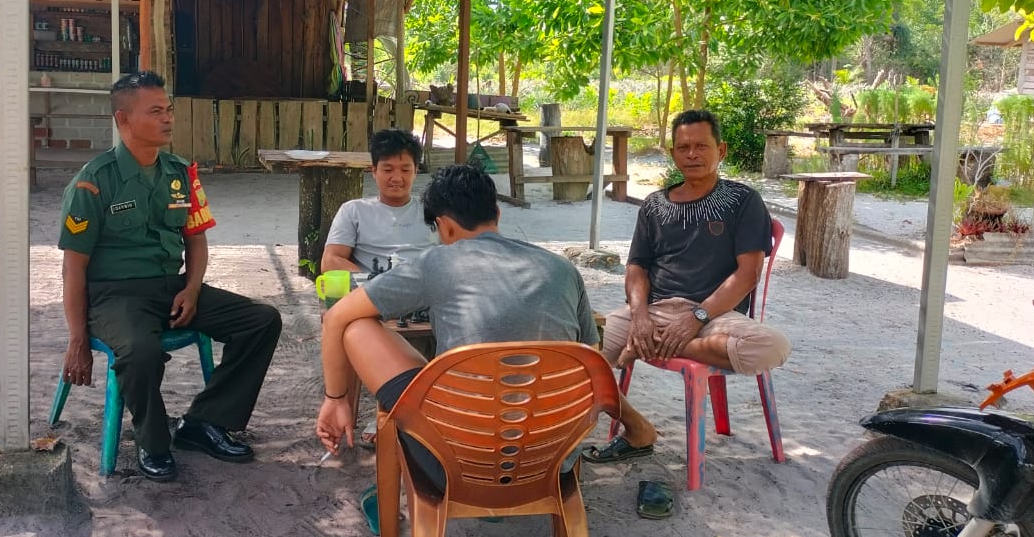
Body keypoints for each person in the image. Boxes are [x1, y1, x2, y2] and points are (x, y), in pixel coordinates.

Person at [314, 164, 656, 496]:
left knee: (356, 325)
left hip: (457, 463)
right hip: (551, 458)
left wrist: (336, 398)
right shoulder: (562, 269)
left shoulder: (435, 263)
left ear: (443, 226)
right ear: (497, 213)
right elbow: (593, 367)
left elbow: (336, 317)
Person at [58, 71, 282, 482]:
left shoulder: (181, 173)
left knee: (261, 319)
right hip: (114, 297)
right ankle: (153, 441)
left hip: (172, 287)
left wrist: (193, 289)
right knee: (140, 353)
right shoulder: (93, 183)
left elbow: (196, 240)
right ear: (123, 119)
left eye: (169, 110)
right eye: (155, 111)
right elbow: (74, 269)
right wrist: (77, 340)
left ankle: (205, 422)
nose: (168, 119)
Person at [588, 109, 790, 462]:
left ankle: (669, 346)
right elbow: (637, 267)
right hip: (653, 314)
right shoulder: (654, 205)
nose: (692, 154)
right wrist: (639, 317)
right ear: (672, 153)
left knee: (772, 346)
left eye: (701, 146)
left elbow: (747, 275)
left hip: (715, 314)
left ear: (721, 150)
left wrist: (696, 318)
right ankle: (635, 430)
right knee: (579, 355)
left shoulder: (743, 201)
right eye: (683, 147)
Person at [321, 128, 433, 274]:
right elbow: (330, 261)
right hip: (371, 292)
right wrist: (374, 285)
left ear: (416, 171)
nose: (397, 178)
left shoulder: (434, 210)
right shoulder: (354, 211)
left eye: (405, 170)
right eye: (388, 170)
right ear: (374, 171)